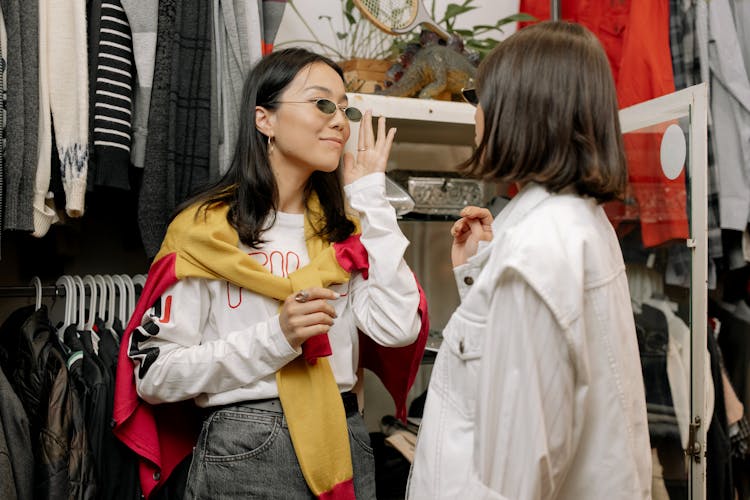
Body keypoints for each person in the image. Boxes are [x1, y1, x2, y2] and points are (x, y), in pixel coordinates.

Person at [112, 48, 428, 500]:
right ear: (265, 119)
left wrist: (372, 199)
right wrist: (277, 338)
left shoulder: (345, 232)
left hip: (344, 439)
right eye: (322, 103)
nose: (339, 120)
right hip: (245, 449)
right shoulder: (207, 231)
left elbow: (398, 329)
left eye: (345, 107)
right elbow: (155, 374)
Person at [407, 21, 651, 499]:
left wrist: (506, 266)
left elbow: (515, 474)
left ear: (519, 108)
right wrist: (483, 272)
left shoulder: (539, 247)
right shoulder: (575, 222)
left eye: (477, 96)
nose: (473, 113)